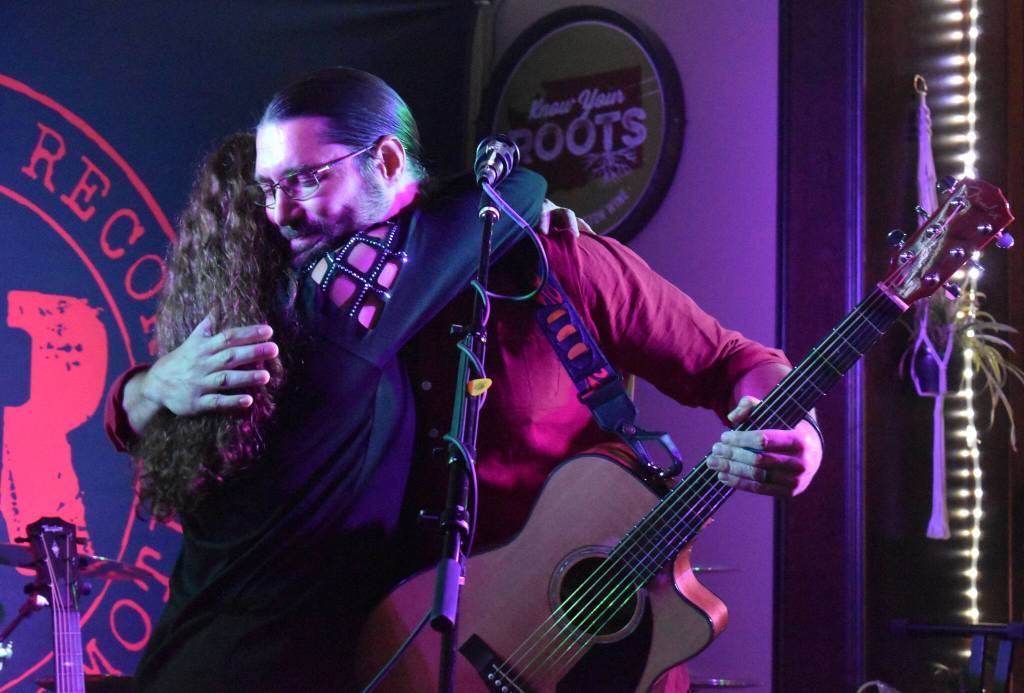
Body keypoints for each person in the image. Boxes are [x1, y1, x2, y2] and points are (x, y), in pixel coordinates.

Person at [105, 67, 821, 691]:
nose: (282, 211)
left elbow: (734, 362)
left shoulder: (558, 260)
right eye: (269, 188)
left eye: (304, 178)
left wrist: (794, 434)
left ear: (385, 159)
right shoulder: (292, 285)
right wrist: (148, 386)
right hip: (404, 661)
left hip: (588, 653)